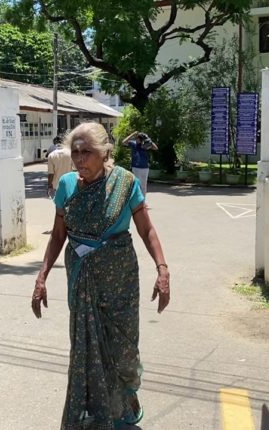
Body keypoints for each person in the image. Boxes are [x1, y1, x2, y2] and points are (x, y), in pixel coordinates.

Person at [31, 122, 170, 429]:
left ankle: (123, 403)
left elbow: (146, 230)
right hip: (82, 277)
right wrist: (41, 278)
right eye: (75, 152)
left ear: (105, 153)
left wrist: (162, 270)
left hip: (120, 278)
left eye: (87, 152)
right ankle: (91, 413)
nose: (80, 159)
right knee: (85, 348)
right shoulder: (66, 185)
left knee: (123, 348)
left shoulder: (125, 182)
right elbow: (58, 235)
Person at [122, 130, 158, 195]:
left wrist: (148, 138)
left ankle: (143, 199)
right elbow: (123, 142)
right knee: (136, 184)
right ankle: (137, 199)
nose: (136, 140)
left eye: (138, 139)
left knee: (144, 185)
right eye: (136, 138)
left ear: (141, 140)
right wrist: (132, 134)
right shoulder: (133, 144)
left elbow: (155, 148)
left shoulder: (145, 145)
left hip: (145, 168)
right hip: (135, 167)